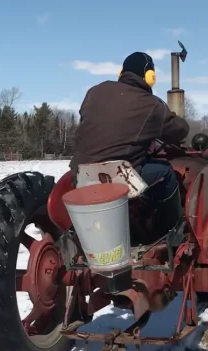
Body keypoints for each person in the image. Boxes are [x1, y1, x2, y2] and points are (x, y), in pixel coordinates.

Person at [69, 51, 190, 238]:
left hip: (81, 174)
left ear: (121, 73)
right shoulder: (151, 104)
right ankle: (171, 231)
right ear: (150, 77)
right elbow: (180, 131)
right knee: (166, 172)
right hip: (119, 177)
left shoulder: (95, 91)